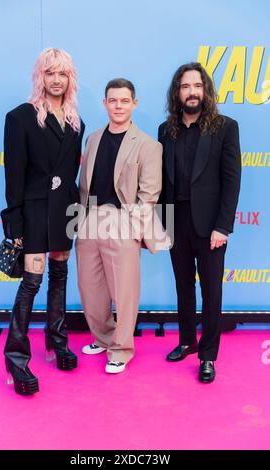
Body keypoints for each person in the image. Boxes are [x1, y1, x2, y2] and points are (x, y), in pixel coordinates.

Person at [1, 48, 85, 395]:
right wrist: (15, 227)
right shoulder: (20, 117)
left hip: (64, 210)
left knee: (61, 273)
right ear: (40, 76)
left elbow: (70, 175)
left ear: (70, 79)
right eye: (49, 73)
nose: (55, 80)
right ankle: (16, 356)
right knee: (32, 281)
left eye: (62, 73)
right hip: (33, 211)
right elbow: (13, 178)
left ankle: (57, 340)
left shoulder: (77, 122)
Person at [76, 78, 170, 374]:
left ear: (134, 104)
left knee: (124, 290)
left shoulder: (147, 145)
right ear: (105, 103)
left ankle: (121, 349)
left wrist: (132, 227)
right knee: (91, 289)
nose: (118, 106)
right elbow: (83, 183)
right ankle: (103, 338)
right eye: (113, 100)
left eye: (124, 101)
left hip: (123, 220)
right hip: (90, 219)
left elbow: (150, 192)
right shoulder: (92, 138)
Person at [158, 62, 241, 383]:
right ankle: (187, 340)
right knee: (183, 286)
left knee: (211, 290)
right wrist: (156, 224)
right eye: (185, 86)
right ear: (177, 93)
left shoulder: (224, 127)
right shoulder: (166, 130)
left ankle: (208, 355)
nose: (191, 92)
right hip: (174, 221)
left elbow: (231, 180)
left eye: (197, 86)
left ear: (205, 90)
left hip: (210, 225)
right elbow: (161, 182)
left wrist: (224, 226)